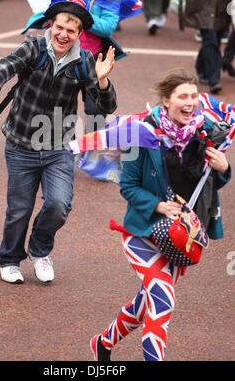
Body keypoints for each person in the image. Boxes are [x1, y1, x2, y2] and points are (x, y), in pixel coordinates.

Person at [0, 0, 117, 285]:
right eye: (61, 26)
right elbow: (9, 64)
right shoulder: (34, 47)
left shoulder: (86, 62)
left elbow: (101, 110)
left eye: (72, 30)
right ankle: (10, 260)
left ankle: (40, 251)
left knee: (58, 204)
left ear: (80, 34)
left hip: (57, 145)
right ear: (51, 24)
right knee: (19, 210)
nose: (64, 34)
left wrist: (102, 82)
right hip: (20, 144)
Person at [90, 69, 231, 361]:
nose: (190, 102)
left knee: (145, 304)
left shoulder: (205, 135)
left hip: (180, 237)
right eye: (183, 96)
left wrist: (224, 169)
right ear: (166, 101)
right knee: (163, 301)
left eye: (194, 96)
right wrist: (158, 206)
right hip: (142, 233)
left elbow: (210, 186)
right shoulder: (141, 134)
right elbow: (128, 186)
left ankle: (103, 342)